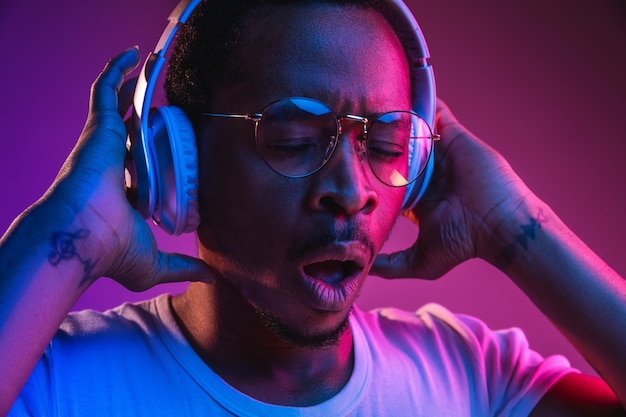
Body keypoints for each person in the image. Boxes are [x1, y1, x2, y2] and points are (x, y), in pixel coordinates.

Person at [1, 0, 625, 415]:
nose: (352, 193)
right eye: (293, 141)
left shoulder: (471, 379)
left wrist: (514, 222)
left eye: (383, 143)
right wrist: (68, 230)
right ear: (178, 161)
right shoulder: (56, 384)